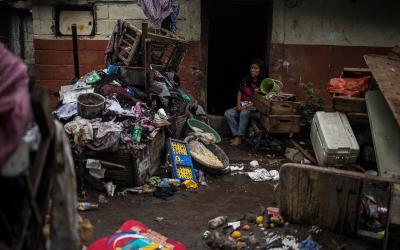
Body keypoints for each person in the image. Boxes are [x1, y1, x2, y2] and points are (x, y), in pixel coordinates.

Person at [224, 59, 265, 146]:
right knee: (228, 113)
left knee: (244, 113)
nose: (252, 70)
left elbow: (260, 101)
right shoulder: (246, 79)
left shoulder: (263, 84)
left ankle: (239, 138)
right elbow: (240, 92)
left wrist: (243, 107)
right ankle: (237, 135)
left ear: (260, 70)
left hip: (255, 110)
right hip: (243, 106)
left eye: (255, 68)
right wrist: (238, 105)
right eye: (251, 68)